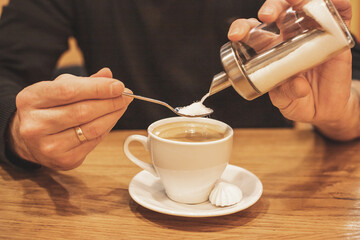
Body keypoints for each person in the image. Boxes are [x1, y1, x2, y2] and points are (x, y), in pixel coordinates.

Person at [0, 0, 359, 171]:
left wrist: (342, 113)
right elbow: (7, 67)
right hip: (118, 186)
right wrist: (17, 132)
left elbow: (351, 78)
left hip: (269, 189)